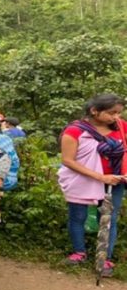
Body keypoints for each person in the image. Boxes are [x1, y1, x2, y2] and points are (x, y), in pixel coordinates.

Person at [58, 94, 125, 277]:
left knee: (108, 219)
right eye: (112, 113)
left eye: (119, 113)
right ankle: (79, 252)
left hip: (115, 181)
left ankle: (105, 258)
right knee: (77, 216)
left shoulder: (121, 127)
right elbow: (68, 160)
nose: (116, 117)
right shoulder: (75, 131)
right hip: (83, 180)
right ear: (95, 111)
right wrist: (100, 177)